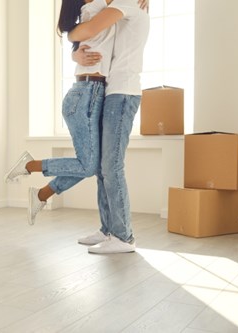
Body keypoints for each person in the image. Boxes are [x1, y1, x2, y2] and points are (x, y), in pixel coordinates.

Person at [4, 0, 115, 225]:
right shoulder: (94, 9)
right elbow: (86, 31)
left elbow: (79, 37)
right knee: (88, 165)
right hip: (85, 95)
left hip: (89, 95)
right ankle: (29, 166)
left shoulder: (91, 13)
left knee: (89, 164)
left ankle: (41, 195)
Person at [68, 0, 150, 254]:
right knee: (104, 168)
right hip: (114, 90)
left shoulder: (126, 3)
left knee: (111, 166)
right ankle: (107, 230)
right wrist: (75, 53)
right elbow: (95, 38)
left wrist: (67, 32)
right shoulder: (120, 7)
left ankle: (123, 237)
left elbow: (88, 30)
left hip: (123, 92)